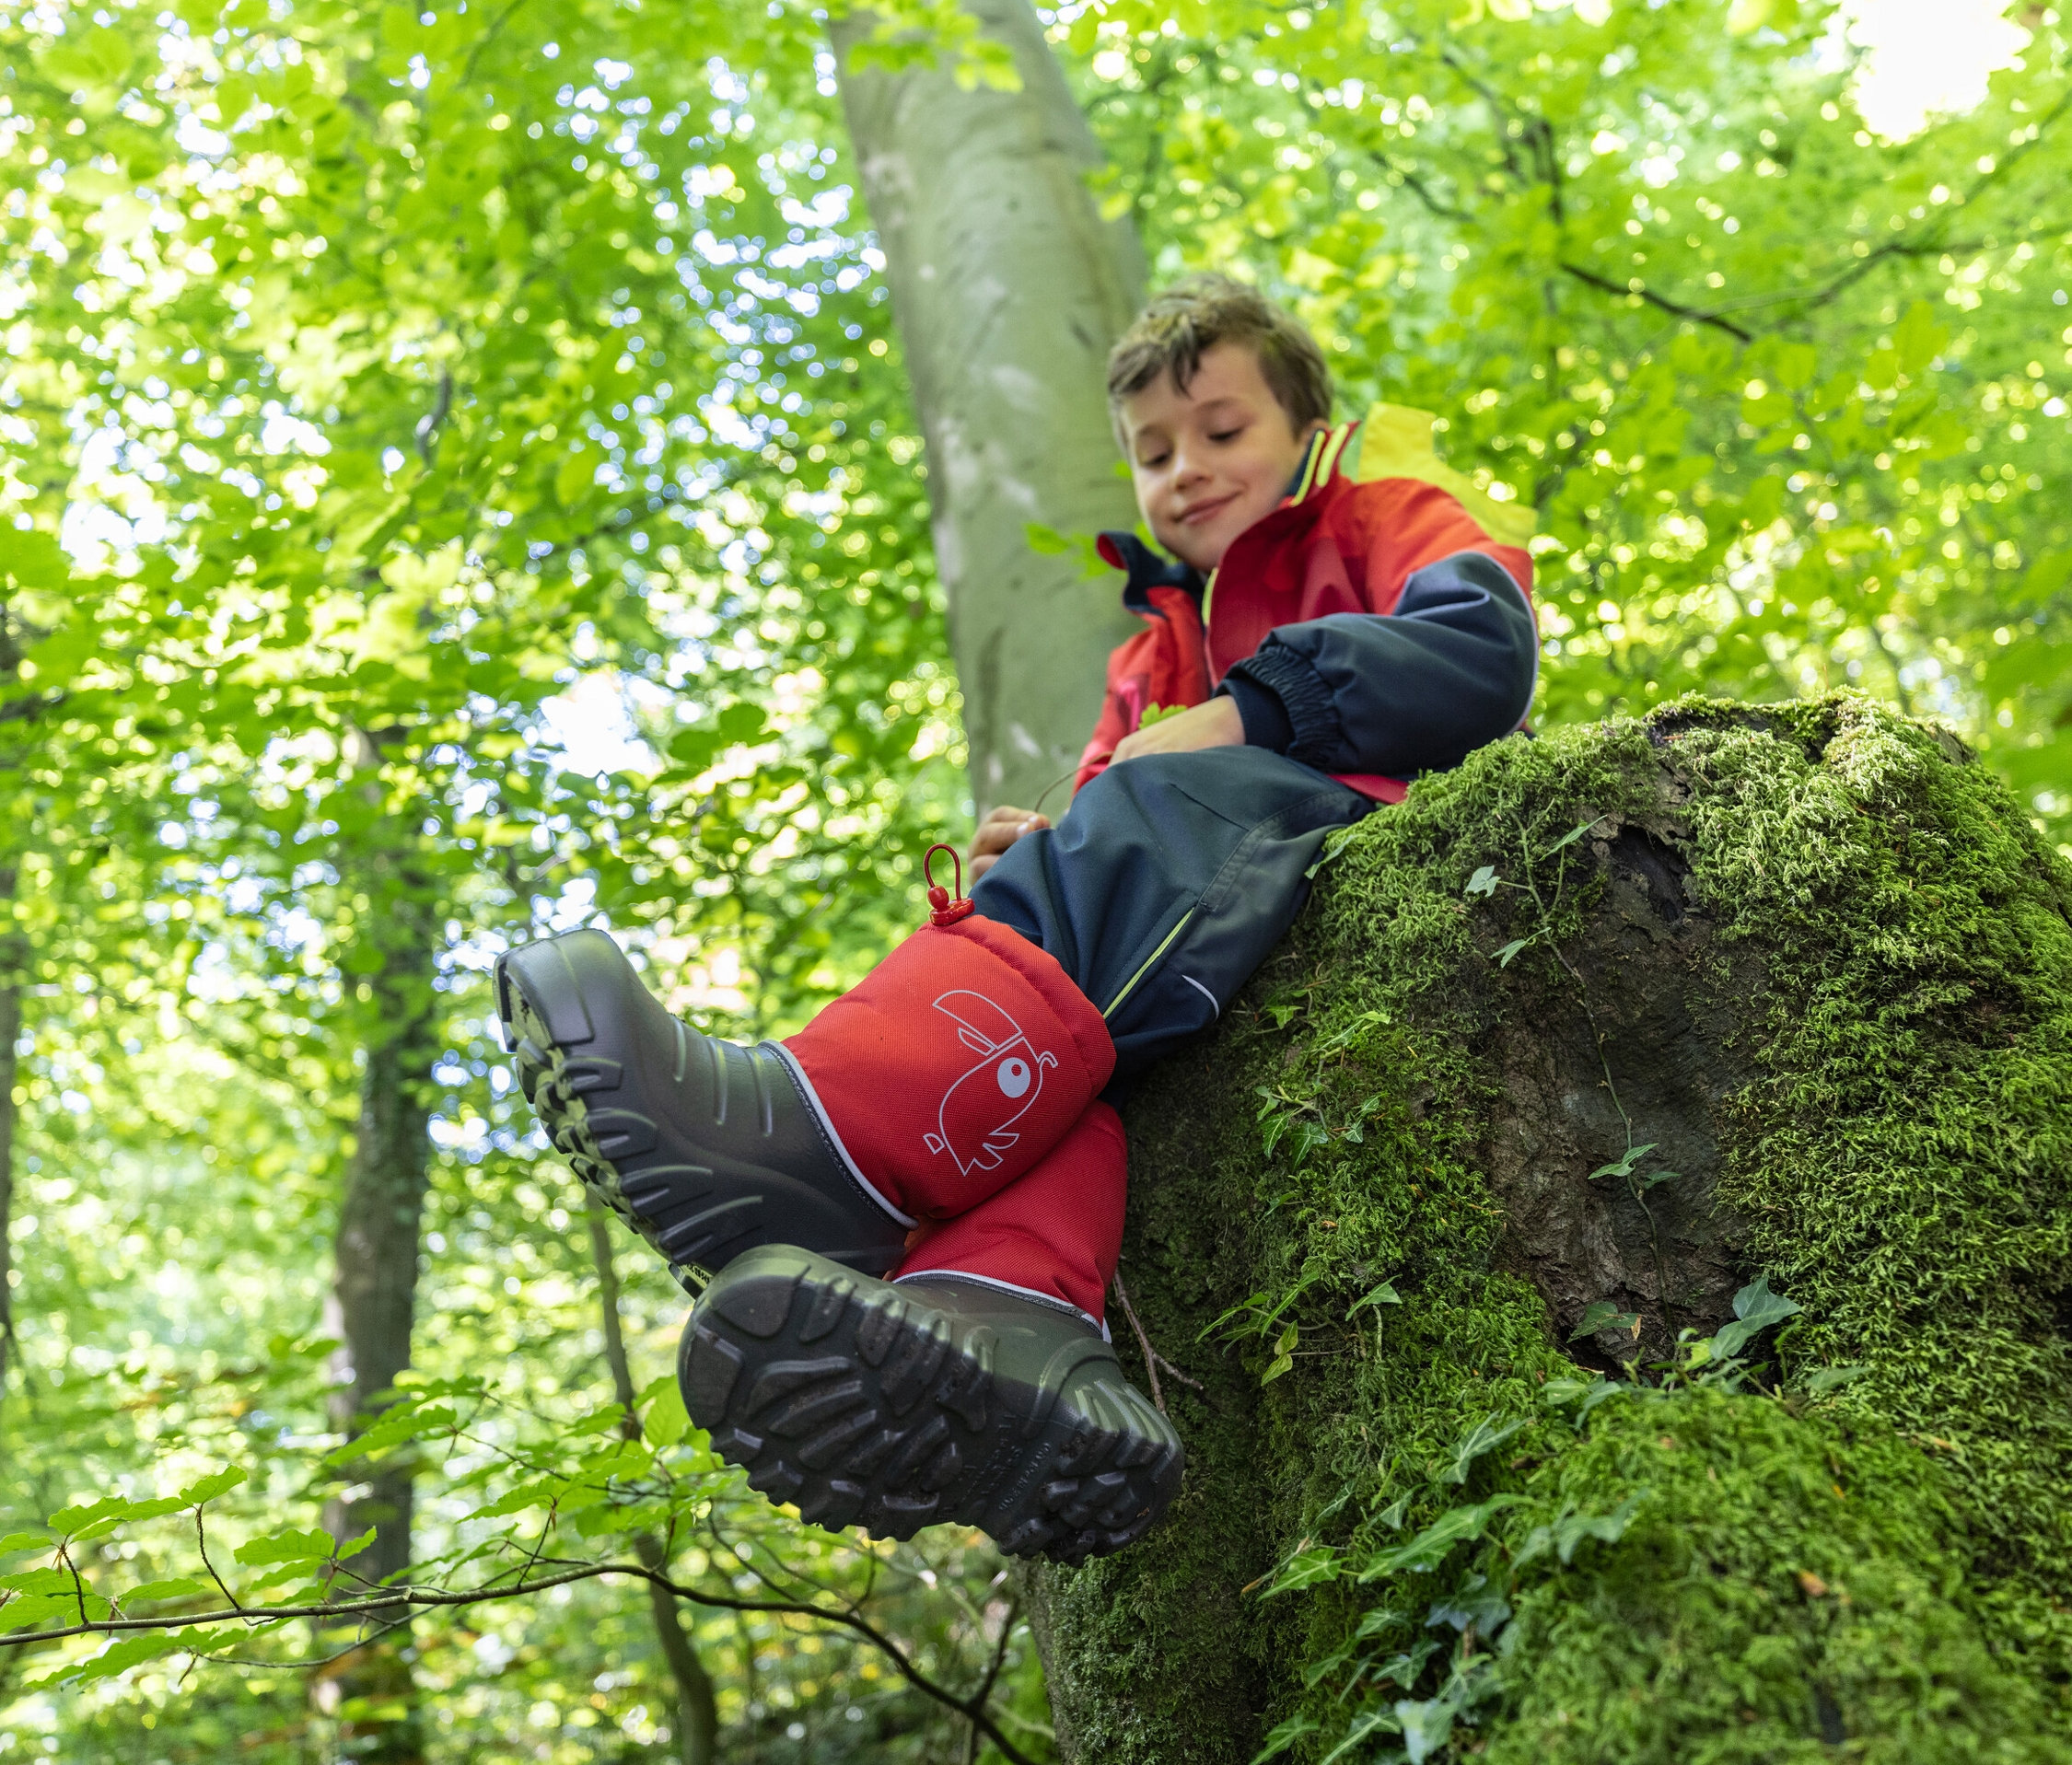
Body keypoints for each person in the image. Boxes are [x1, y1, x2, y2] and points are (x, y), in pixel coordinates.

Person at [495, 274, 1538, 1564]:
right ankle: (1007, 1325)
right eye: (1152, 453)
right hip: (1214, 905)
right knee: (1057, 1049)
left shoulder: (1385, 508)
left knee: (1133, 854)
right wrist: (1041, 845)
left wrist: (1250, 710)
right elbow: (1113, 820)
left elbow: (1480, 653)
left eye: (1222, 431)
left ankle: (820, 1134)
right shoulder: (1146, 652)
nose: (1186, 470)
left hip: (1372, 821)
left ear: (1306, 428)